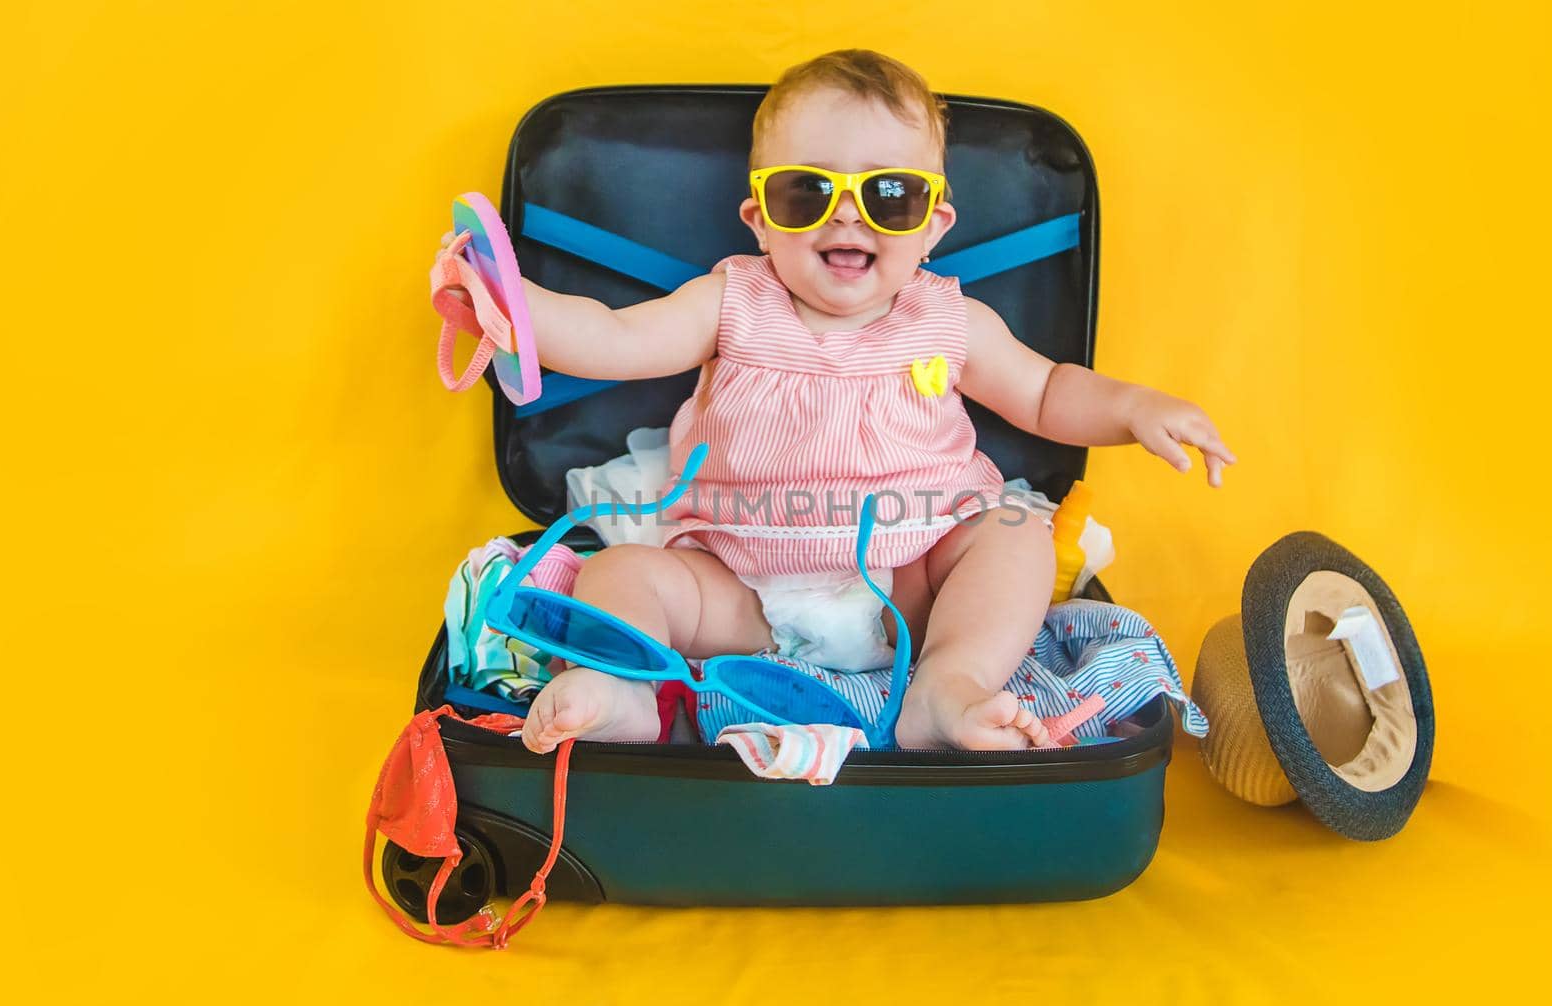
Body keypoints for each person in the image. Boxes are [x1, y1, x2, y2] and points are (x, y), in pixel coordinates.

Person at [439, 49, 1235, 753]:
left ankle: (945, 688)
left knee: (1016, 533)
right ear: (759, 220)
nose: (846, 214)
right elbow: (615, 337)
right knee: (620, 575)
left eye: (891, 196)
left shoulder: (949, 319)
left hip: (912, 587)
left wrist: (1132, 408)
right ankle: (628, 694)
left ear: (932, 227)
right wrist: (515, 308)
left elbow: (1049, 391)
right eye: (804, 193)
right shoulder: (731, 301)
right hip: (743, 587)